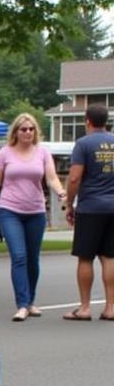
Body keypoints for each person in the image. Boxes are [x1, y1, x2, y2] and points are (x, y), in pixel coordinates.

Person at [0, 113, 66, 321]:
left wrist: (61, 192)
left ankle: (31, 301)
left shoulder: (43, 153)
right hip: (10, 210)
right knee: (19, 256)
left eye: (31, 129)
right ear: (16, 132)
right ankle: (22, 304)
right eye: (23, 129)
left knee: (32, 259)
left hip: (35, 211)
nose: (28, 132)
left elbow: (52, 178)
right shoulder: (5, 153)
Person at [63, 102, 114, 321]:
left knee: (85, 257)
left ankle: (84, 308)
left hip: (91, 206)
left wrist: (69, 204)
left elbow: (74, 178)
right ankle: (111, 307)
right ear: (107, 121)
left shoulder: (83, 144)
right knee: (110, 257)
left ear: (87, 120)